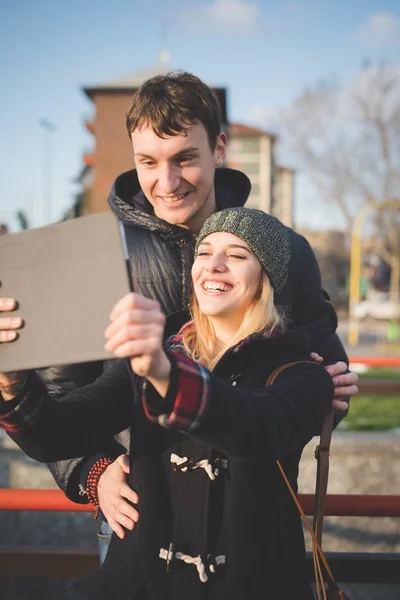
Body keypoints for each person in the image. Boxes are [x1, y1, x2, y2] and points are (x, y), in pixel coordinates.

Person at [0, 72, 358, 560]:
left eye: (185, 158)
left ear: (220, 148)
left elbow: (323, 378)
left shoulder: (285, 248)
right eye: (148, 162)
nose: (165, 183)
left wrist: (325, 395)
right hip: (139, 518)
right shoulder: (95, 253)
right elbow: (61, 395)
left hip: (251, 523)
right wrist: (93, 470)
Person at [1, 208, 337, 600]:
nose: (213, 265)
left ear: (267, 279)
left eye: (237, 255)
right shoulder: (153, 356)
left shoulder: (302, 372)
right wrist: (12, 380)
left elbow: (258, 428)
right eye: (205, 252)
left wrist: (165, 374)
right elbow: (56, 433)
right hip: (138, 585)